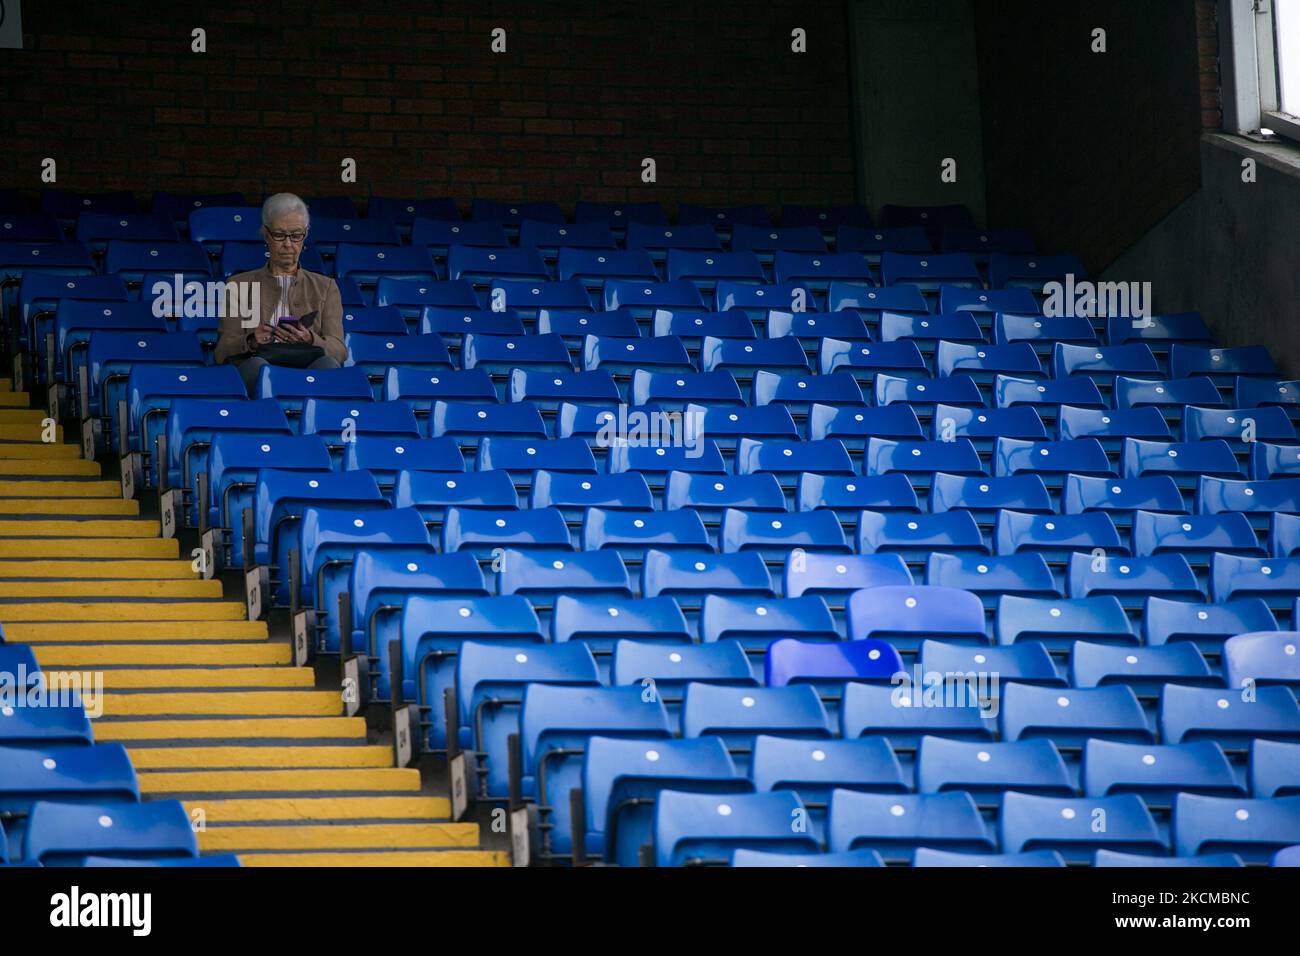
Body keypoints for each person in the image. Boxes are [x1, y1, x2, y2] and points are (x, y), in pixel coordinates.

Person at [214, 192, 347, 395]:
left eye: (296, 236)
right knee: (257, 367)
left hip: (308, 366)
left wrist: (311, 339)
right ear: (266, 234)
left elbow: (339, 351)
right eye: (279, 235)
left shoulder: (326, 286)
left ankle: (317, 420)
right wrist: (251, 340)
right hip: (259, 364)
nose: (288, 244)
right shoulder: (238, 285)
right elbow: (222, 352)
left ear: (305, 235)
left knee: (328, 366)